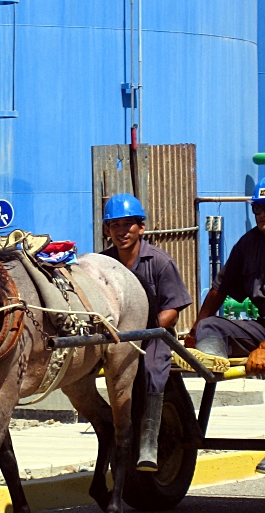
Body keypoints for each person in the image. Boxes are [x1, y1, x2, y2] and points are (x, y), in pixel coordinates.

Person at [182, 176, 265, 475]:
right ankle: (213, 364)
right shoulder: (249, 243)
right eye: (258, 208)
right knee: (211, 327)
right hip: (263, 325)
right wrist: (195, 330)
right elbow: (219, 289)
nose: (262, 214)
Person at [101, 193, 192, 472]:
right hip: (117, 338)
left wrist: (145, 328)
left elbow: (173, 308)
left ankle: (150, 441)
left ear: (141, 228)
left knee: (153, 369)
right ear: (107, 230)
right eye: (114, 225)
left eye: (127, 225)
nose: (121, 231)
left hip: (154, 335)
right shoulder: (104, 264)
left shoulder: (159, 261)